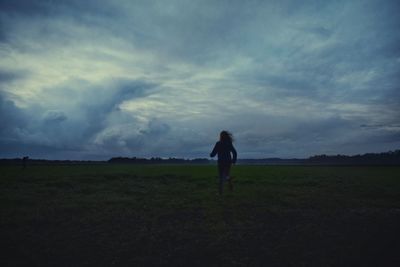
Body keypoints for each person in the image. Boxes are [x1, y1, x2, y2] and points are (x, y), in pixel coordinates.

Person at [210, 130, 237, 195]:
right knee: (226, 175)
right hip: (228, 162)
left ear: (221, 136)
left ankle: (220, 193)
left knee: (221, 177)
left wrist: (211, 155)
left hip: (221, 162)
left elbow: (213, 154)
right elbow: (234, 152)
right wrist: (233, 161)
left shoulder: (218, 143)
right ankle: (229, 182)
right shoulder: (229, 143)